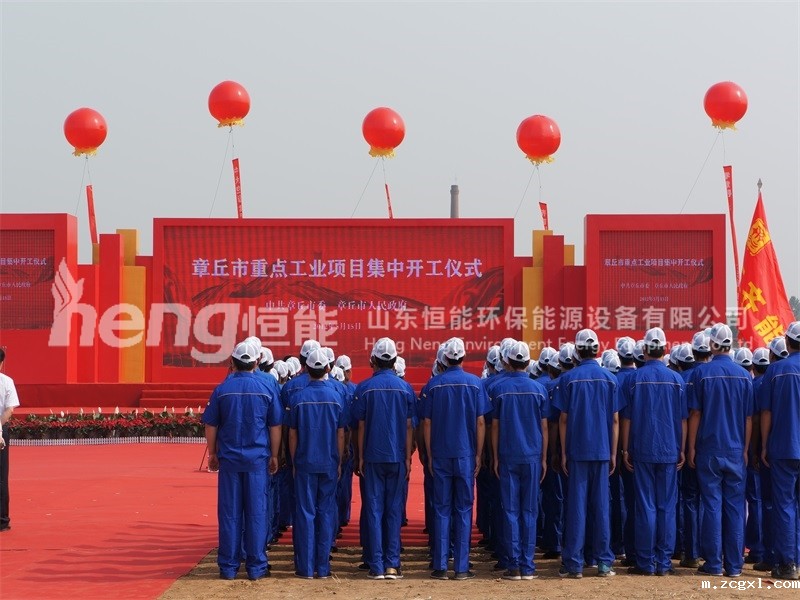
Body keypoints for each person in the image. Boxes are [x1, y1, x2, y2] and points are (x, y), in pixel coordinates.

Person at [202, 340, 283, 580]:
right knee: (257, 513)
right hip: (257, 460)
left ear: (232, 362)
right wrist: (275, 455)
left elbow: (211, 424)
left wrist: (212, 453)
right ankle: (256, 567)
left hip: (229, 461)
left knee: (229, 513)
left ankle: (228, 567)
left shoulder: (222, 389)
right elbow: (275, 425)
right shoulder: (266, 388)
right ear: (256, 362)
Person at [421, 337, 491, 580]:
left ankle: (440, 565)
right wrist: (479, 454)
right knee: (463, 509)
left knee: (441, 509)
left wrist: (430, 455)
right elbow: (480, 422)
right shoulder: (475, 384)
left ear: (444, 359)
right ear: (463, 357)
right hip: (465, 454)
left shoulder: (433, 385)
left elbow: (426, 423)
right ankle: (461, 567)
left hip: (441, 454)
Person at [553, 328, 621, 578]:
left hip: (577, 450)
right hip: (601, 450)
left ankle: (574, 563)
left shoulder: (568, 379)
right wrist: (613, 453)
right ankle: (603, 562)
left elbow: (563, 419)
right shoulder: (609, 379)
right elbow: (615, 420)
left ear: (577, 351)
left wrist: (563, 452)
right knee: (601, 507)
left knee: (576, 507)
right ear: (597, 349)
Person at [687, 323, 753, 578]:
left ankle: (714, 563)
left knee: (712, 505)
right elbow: (748, 418)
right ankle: (734, 566)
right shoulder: (744, 376)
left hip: (709, 448)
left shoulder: (701, 374)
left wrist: (691, 447)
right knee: (735, 507)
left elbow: (695, 414)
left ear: (712, 344)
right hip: (735, 449)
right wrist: (745, 449)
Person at [620, 327, 687, 576]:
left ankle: (646, 562)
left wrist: (625, 449)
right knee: (666, 507)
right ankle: (664, 562)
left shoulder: (634, 379)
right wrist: (682, 448)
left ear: (645, 349)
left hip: (643, 449)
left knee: (645, 506)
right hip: (669, 450)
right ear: (665, 349)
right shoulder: (676, 380)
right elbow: (683, 420)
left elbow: (626, 419)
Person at [352, 338, 416, 580]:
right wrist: (408, 458)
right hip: (397, 456)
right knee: (393, 510)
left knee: (374, 509)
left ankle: (376, 565)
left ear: (373, 360)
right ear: (394, 360)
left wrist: (360, 457)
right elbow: (409, 426)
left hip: (372, 456)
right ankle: (392, 564)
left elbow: (360, 426)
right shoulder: (405, 388)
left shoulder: (364, 388)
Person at [490, 340, 549, 580]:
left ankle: (513, 565)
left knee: (510, 510)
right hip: (532, 456)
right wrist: (544, 458)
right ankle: (528, 565)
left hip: (508, 455)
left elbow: (495, 427)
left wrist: (494, 457)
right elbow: (544, 428)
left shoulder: (499, 389)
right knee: (529, 511)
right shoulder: (539, 389)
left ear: (507, 362)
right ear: (527, 362)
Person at [287, 347, 347, 579]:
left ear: (306, 368)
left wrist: (294, 461)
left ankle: (305, 567)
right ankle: (323, 567)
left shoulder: (298, 398)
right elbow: (340, 434)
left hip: (304, 462)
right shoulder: (337, 397)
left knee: (305, 513)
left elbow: (293, 435)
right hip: (329, 461)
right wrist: (339, 460)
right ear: (328, 368)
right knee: (326, 512)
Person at [759, 322, 800, 581]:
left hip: (784, 446)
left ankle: (788, 563)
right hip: (787, 446)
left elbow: (766, 412)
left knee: (784, 505)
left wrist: (764, 444)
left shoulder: (776, 371)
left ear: (787, 342)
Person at [0, 348, 20, 532]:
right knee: (1, 475)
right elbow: (9, 409)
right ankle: (1, 520)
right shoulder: (6, 381)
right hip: (0, 430)